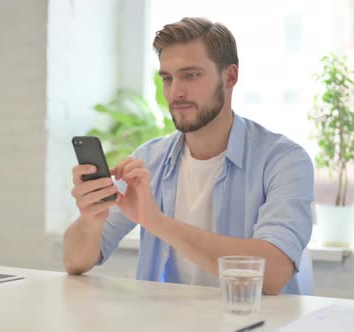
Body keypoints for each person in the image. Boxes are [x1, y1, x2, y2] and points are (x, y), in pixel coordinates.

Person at [63, 17, 313, 295]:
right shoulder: (149, 159)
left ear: (230, 77)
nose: (175, 92)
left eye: (191, 75)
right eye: (167, 78)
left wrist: (155, 221)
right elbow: (75, 262)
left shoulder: (284, 160)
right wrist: (90, 217)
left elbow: (274, 272)